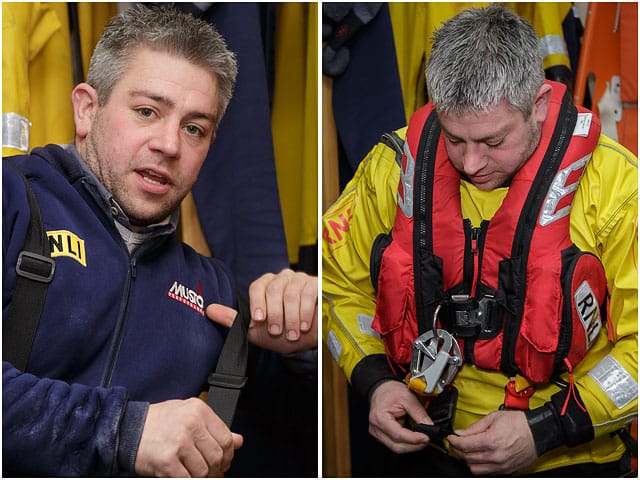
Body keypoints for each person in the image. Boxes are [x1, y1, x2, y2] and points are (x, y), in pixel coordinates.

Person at [322, 4, 637, 476]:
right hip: (424, 450)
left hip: (569, 455)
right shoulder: (392, 170)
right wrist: (375, 381)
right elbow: (337, 287)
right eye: (454, 138)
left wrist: (548, 427)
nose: (470, 164)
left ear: (538, 105)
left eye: (491, 142)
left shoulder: (618, 189)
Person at [3, 5, 317, 477]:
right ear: (87, 108)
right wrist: (122, 429)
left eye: (194, 128)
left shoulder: (212, 290)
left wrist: (301, 349)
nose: (169, 144)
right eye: (147, 111)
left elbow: (284, 450)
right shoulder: (12, 201)